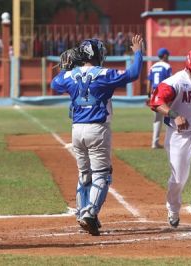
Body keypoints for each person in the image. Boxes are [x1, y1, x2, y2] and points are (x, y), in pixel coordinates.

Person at [51, 35, 143, 236]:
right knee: (102, 175)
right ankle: (90, 214)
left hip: (77, 130)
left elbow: (55, 85)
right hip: (97, 129)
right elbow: (134, 74)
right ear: (98, 54)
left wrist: (67, 68)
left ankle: (81, 212)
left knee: (85, 174)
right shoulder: (104, 73)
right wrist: (137, 52)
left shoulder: (70, 74)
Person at [149, 48, 191, 228]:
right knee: (179, 178)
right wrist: (174, 114)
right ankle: (173, 209)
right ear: (188, 68)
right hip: (179, 134)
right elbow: (155, 102)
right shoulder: (174, 82)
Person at [147, 48, 172, 149]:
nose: (168, 57)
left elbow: (149, 81)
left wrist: (149, 95)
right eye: (168, 55)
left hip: (154, 94)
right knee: (169, 118)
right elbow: (170, 81)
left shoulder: (153, 66)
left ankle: (154, 143)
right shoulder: (167, 66)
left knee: (157, 119)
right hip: (164, 94)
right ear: (165, 56)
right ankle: (169, 143)